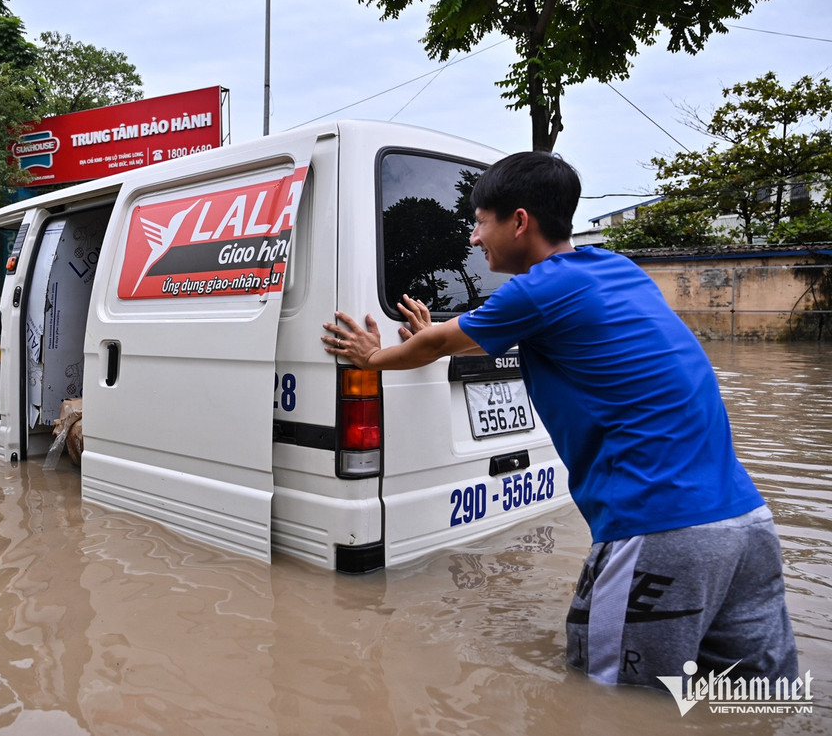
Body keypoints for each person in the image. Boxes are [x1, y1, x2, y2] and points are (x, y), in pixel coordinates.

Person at [322, 151, 798, 689]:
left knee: (611, 704)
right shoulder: (617, 270)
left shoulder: (538, 290)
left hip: (659, 526)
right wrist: (431, 340)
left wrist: (371, 356)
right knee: (756, 703)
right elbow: (490, 339)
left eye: (480, 222)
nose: (474, 239)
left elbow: (438, 343)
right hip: (746, 527)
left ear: (519, 221)